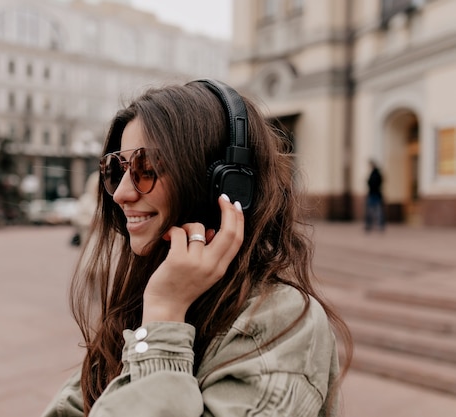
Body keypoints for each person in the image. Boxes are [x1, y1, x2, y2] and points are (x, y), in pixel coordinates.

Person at [42, 80, 352, 417]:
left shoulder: (280, 321)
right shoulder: (146, 287)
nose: (121, 194)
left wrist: (164, 314)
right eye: (117, 169)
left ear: (224, 184)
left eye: (147, 168)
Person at [365, 160, 385, 231]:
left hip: (374, 194)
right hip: (374, 194)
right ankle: (372, 224)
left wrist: (369, 183)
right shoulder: (375, 173)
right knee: (374, 211)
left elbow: (374, 183)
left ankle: (377, 224)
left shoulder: (375, 174)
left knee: (376, 211)